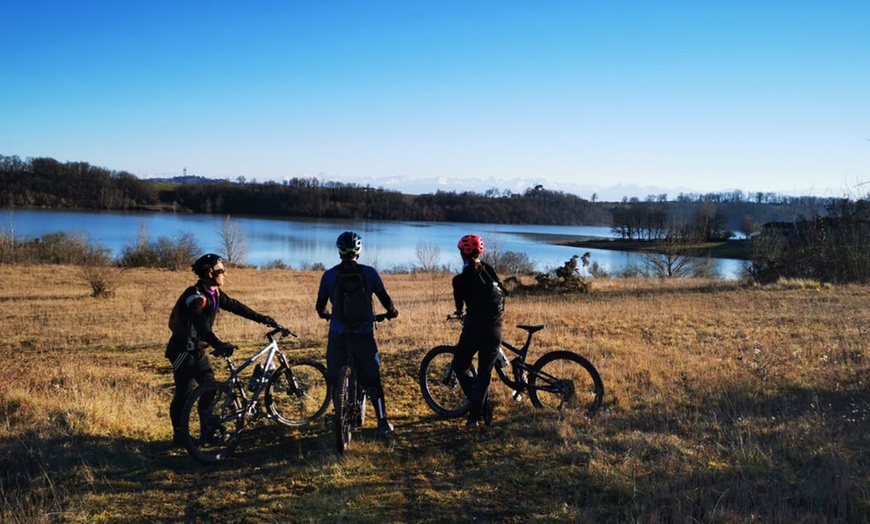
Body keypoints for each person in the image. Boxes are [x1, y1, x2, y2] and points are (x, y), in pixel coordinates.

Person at [165, 253, 279, 445]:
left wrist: (262, 318)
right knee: (188, 392)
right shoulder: (195, 297)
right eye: (221, 270)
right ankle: (185, 435)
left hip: (196, 349)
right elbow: (201, 325)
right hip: (183, 351)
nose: (225, 273)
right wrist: (217, 344)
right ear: (210, 273)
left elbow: (235, 306)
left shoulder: (213, 292)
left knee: (206, 389)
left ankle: (201, 434)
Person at [315, 231, 399, 436]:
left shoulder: (329, 275)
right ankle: (382, 421)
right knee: (373, 377)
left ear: (339, 251)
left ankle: (338, 412)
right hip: (363, 333)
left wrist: (327, 315)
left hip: (338, 333)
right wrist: (391, 312)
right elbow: (385, 300)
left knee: (335, 375)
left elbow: (319, 307)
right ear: (358, 251)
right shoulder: (369, 273)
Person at [451, 234, 507, 429]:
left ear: (461, 254)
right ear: (480, 252)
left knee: (460, 365)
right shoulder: (489, 270)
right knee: (484, 373)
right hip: (495, 329)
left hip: (474, 329)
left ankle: (480, 407)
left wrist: (459, 312)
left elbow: (459, 307)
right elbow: (503, 293)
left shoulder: (459, 280)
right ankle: (475, 417)